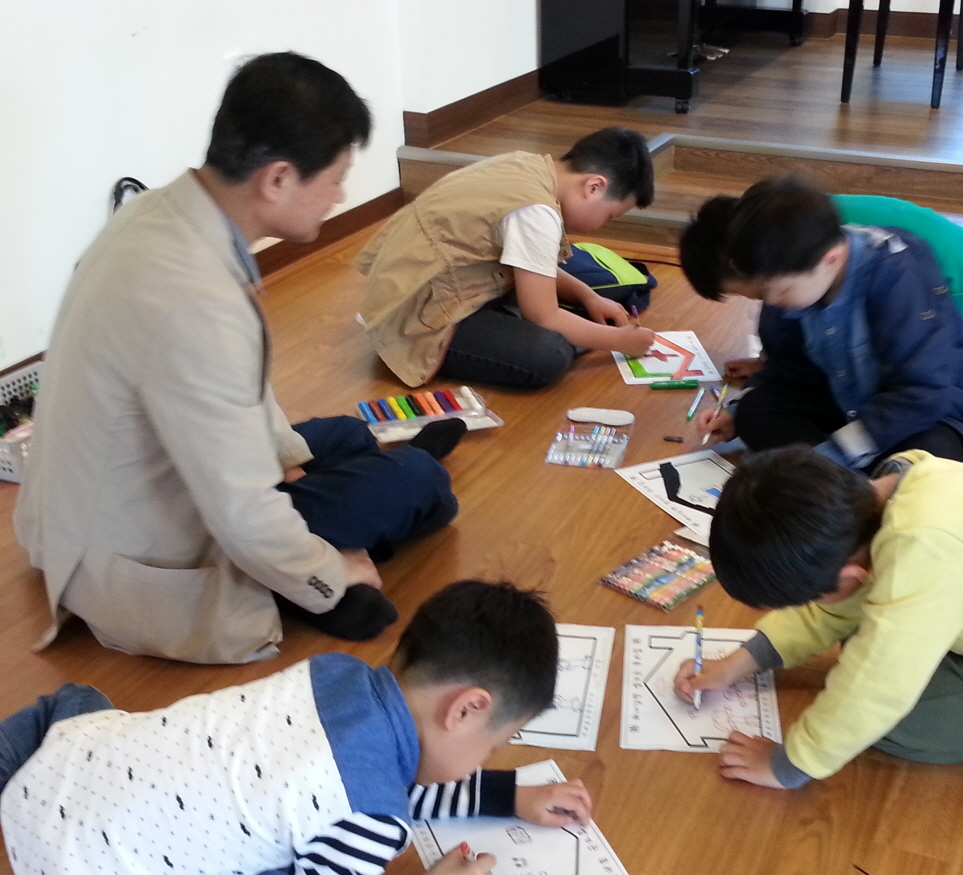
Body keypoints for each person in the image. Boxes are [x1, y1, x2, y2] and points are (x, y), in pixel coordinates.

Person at [14, 52, 462, 665]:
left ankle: (359, 476)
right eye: (335, 178)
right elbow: (243, 515)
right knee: (421, 483)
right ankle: (366, 510)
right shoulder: (197, 301)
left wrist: (286, 463)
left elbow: (236, 392)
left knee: (343, 434)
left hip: (97, 502)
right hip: (139, 549)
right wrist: (331, 575)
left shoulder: (158, 214)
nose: (339, 196)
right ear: (277, 179)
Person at [0, 580, 591, 875]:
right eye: (494, 746)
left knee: (81, 703)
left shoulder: (335, 673)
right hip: (79, 863)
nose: (486, 761)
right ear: (465, 709)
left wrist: (507, 795)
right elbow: (371, 795)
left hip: (57, 766)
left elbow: (367, 778)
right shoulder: (372, 820)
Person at [674, 446, 963, 790]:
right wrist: (739, 663)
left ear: (852, 575)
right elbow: (837, 607)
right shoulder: (883, 493)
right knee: (863, 644)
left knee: (894, 725)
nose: (811, 606)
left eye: (807, 598)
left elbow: (878, 686)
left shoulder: (925, 552)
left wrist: (789, 765)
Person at [678, 177, 963, 470]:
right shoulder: (790, 277)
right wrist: (737, 414)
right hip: (847, 402)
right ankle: (852, 482)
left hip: (919, 410)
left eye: (779, 291)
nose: (772, 302)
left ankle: (845, 480)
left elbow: (922, 390)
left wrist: (836, 453)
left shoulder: (897, 271)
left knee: (933, 452)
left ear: (831, 259)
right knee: (756, 410)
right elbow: (785, 370)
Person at [355, 127, 658, 389]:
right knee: (548, 353)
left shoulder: (526, 165)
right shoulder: (537, 213)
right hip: (419, 319)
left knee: (570, 301)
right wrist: (619, 342)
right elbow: (544, 317)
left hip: (416, 284)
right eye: (610, 216)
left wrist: (587, 296)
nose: (604, 224)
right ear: (594, 187)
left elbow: (531, 261)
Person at [680, 191, 963, 394]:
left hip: (959, 286)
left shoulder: (806, 244)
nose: (767, 301)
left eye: (758, 293)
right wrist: (767, 362)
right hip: (943, 258)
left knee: (906, 363)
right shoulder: (785, 225)